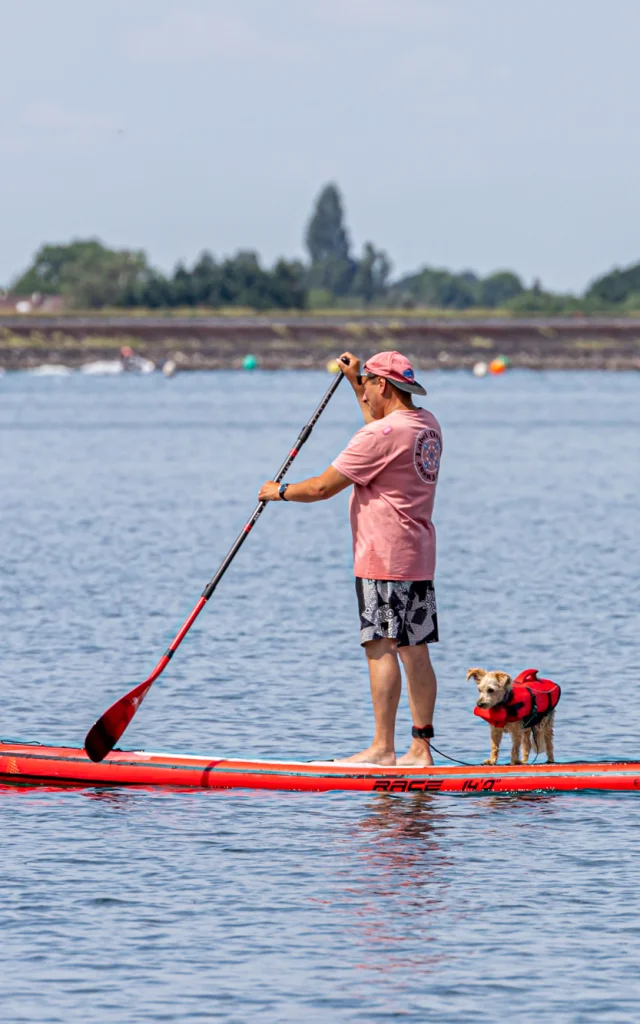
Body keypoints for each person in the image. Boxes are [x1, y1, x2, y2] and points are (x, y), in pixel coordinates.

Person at [258, 350, 442, 766]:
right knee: (415, 650)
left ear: (383, 385)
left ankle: (382, 749)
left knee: (380, 646)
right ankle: (421, 749)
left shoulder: (379, 437)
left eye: (370, 384)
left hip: (382, 557)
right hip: (417, 557)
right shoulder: (427, 425)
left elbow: (324, 487)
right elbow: (382, 427)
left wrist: (279, 491)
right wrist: (353, 382)